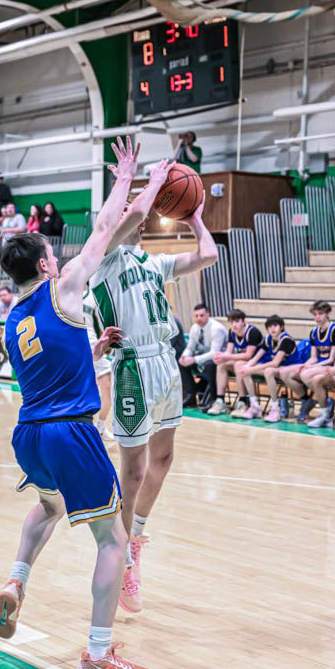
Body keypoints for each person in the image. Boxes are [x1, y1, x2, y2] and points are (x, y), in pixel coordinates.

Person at [0, 135, 153, 669]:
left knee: (49, 506)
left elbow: (50, 365)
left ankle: (16, 579)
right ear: (43, 263)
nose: (59, 258)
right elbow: (104, 229)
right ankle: (98, 655)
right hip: (69, 433)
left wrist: (93, 349)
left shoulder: (15, 318)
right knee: (113, 541)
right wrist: (125, 176)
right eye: (52, 254)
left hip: (29, 434)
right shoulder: (64, 287)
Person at [90, 162, 218, 615]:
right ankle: (121, 555)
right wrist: (150, 186)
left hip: (165, 362)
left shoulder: (154, 262)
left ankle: (135, 540)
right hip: (131, 366)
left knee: (164, 459)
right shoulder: (104, 259)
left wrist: (194, 217)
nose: (137, 214)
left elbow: (208, 255)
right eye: (127, 209)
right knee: (134, 471)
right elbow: (127, 217)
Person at [234, 316, 301, 420]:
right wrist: (246, 367)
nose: (272, 328)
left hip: (290, 368)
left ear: (281, 327)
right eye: (269, 326)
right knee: (245, 371)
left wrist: (251, 369)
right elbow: (256, 357)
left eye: (275, 325)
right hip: (278, 369)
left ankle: (275, 409)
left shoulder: (286, 339)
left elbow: (275, 363)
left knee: (268, 371)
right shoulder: (268, 338)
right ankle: (255, 406)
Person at [288, 300, 335, 422]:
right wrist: (303, 365)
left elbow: (331, 359)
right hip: (319, 365)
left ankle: (325, 402)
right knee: (289, 373)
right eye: (315, 314)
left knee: (305, 374)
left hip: (332, 366)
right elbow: (314, 357)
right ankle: (307, 399)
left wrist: (311, 367)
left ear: (328, 313)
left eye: (320, 314)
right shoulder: (314, 332)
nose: (317, 317)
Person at [207, 309, 263, 415]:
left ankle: (243, 402)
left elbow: (248, 355)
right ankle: (220, 401)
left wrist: (226, 356)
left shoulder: (252, 332)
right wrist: (220, 357)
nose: (234, 324)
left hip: (259, 362)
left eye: (237, 321)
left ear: (243, 321)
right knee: (222, 364)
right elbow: (229, 352)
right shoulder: (231, 332)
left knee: (238, 364)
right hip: (245, 363)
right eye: (231, 322)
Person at [178, 304, 228, 409]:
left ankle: (213, 400)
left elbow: (214, 353)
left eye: (201, 315)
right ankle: (190, 396)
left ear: (208, 315)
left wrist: (194, 359)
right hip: (203, 357)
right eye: (196, 316)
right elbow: (190, 348)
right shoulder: (194, 328)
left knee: (209, 364)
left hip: (220, 359)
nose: (198, 318)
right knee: (182, 364)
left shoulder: (216, 328)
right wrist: (184, 356)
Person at [83, 285, 114, 440]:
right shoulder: (64, 292)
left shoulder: (93, 296)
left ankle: (101, 426)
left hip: (93, 346)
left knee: (108, 389)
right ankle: (80, 428)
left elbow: (101, 325)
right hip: (74, 349)